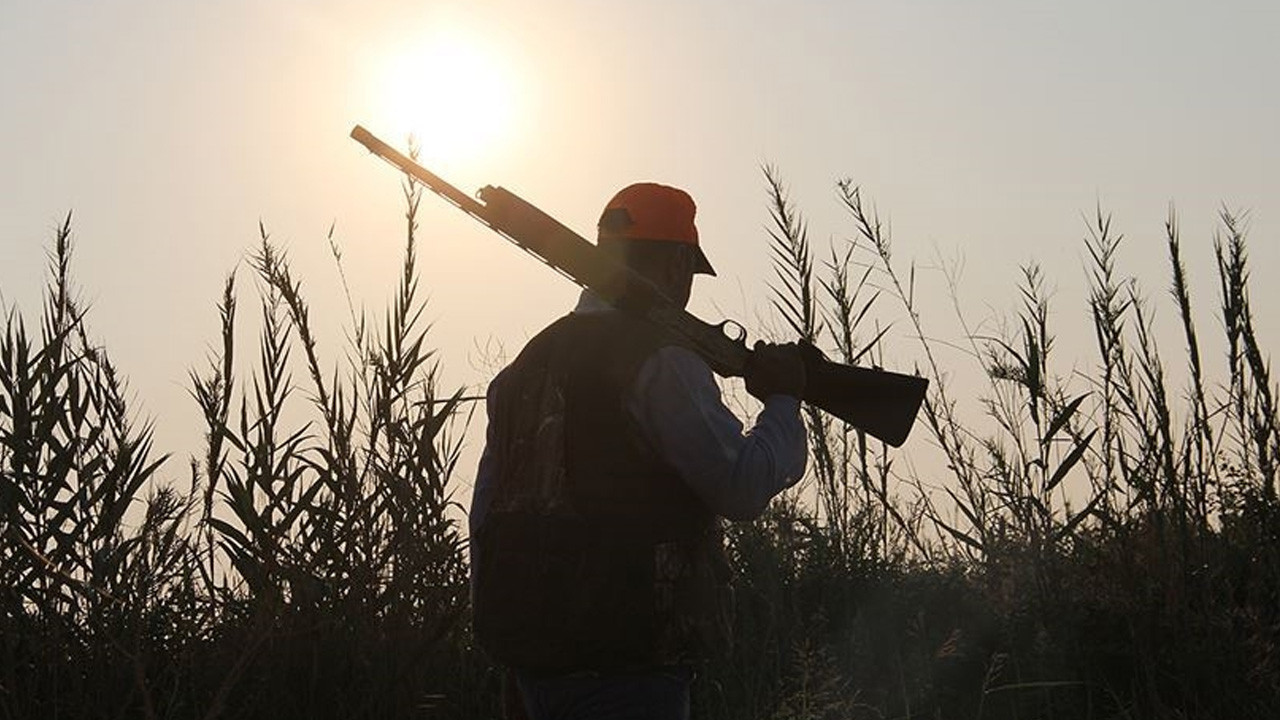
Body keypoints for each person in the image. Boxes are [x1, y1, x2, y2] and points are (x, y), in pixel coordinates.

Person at [469, 182, 808, 720]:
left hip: (534, 667)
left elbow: (487, 518)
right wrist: (785, 402)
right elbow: (741, 489)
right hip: (628, 665)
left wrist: (511, 656)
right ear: (677, 265)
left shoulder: (525, 366)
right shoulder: (661, 361)